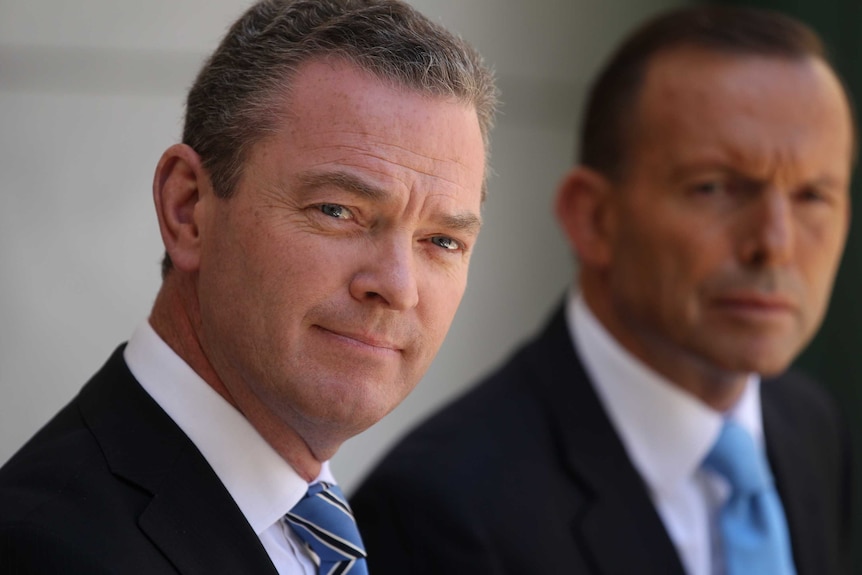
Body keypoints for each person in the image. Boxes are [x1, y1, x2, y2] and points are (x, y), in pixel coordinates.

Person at [351, 5, 855, 575]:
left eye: (814, 196)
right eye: (715, 188)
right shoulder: (438, 514)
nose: (776, 244)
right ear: (593, 219)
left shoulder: (812, 431)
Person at [0, 1, 496, 573]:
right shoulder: (45, 549)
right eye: (339, 210)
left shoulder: (375, 534)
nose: (397, 287)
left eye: (442, 241)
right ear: (188, 210)